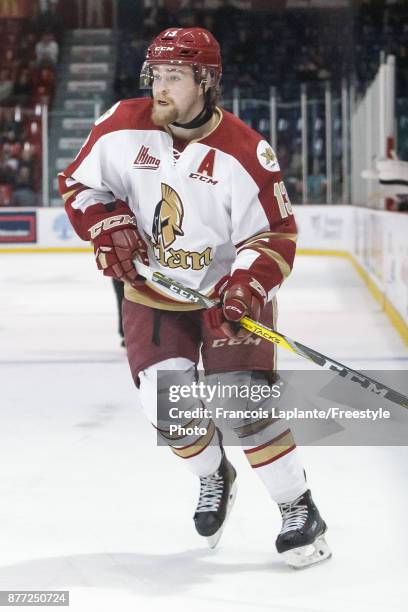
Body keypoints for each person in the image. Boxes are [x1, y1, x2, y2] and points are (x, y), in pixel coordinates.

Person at [58, 27, 331, 568]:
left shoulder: (246, 150)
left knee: (242, 402)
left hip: (226, 299)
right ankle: (214, 476)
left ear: (206, 81)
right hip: (153, 294)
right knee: (169, 411)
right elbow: (79, 184)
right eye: (155, 74)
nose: (159, 87)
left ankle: (298, 507)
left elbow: (274, 235)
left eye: (174, 76)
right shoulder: (120, 125)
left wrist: (247, 285)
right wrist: (105, 220)